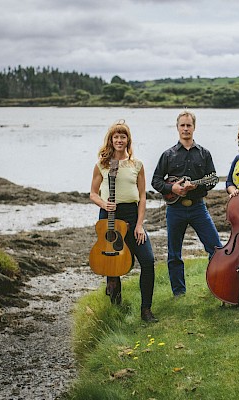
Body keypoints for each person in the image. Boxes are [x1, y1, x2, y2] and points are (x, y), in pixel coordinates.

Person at [89, 120, 158, 322]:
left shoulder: (137, 165)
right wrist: (103, 204)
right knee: (112, 263)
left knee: (147, 261)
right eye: (116, 137)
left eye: (123, 136)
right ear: (111, 140)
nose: (119, 140)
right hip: (109, 216)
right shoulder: (101, 165)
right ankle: (115, 305)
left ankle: (146, 310)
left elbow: (143, 196)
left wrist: (139, 225)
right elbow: (93, 193)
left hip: (131, 215)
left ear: (128, 140)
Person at [151, 110, 222, 297]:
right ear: (177, 128)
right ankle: (179, 293)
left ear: (194, 127)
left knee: (216, 249)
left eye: (188, 125)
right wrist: (172, 189)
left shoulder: (204, 154)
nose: (185, 128)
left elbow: (213, 179)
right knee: (174, 254)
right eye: (182, 125)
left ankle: (217, 287)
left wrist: (196, 188)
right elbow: (156, 181)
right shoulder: (168, 154)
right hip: (175, 209)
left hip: (199, 207)